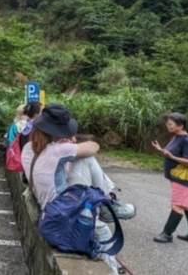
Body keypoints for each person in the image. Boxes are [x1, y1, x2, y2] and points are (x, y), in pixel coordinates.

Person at [21, 104, 125, 274]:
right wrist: (67, 143)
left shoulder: (29, 148)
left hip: (48, 210)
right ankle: (107, 201)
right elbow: (94, 146)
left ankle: (107, 200)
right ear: (57, 132)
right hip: (64, 215)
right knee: (86, 159)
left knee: (81, 161)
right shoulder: (58, 150)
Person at [151, 112, 188, 245]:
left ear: (180, 125)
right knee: (185, 205)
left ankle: (167, 234)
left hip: (182, 178)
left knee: (177, 205)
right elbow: (171, 153)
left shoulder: (187, 140)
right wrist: (161, 150)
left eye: (170, 124)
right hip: (176, 177)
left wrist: (172, 157)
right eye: (167, 123)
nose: (168, 126)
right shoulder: (176, 136)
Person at [65, 134, 137, 222]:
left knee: (86, 160)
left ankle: (107, 203)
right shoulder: (54, 149)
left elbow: (93, 146)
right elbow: (93, 146)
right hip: (60, 199)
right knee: (85, 159)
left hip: (63, 191)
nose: (73, 139)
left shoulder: (52, 147)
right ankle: (107, 204)